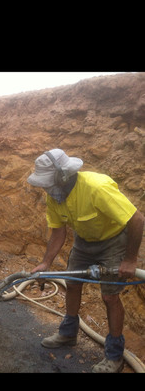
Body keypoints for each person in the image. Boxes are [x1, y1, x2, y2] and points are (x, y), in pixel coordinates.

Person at [27, 148, 145, 373]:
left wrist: (130, 259)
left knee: (110, 297)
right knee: (72, 284)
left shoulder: (96, 188)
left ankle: (114, 355)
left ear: (63, 177)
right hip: (84, 241)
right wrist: (45, 263)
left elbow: (137, 219)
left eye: (47, 182)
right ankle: (68, 333)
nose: (45, 188)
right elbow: (58, 232)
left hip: (113, 240)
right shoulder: (55, 196)